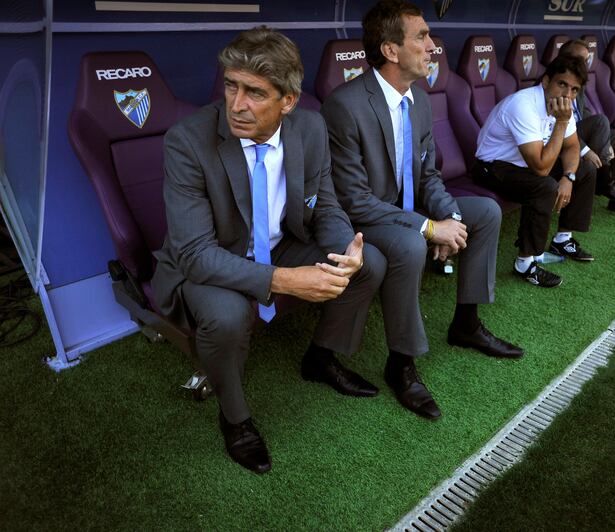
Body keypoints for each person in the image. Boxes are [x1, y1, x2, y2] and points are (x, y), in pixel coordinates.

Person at [152, 27, 386, 474]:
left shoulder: (311, 128)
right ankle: (235, 419)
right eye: (230, 86)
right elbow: (195, 254)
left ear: (289, 101)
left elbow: (326, 205)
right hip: (211, 260)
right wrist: (283, 280)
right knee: (226, 316)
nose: (236, 105)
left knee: (368, 263)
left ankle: (321, 357)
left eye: (255, 93)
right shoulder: (187, 141)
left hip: (279, 245)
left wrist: (346, 248)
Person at [321, 0, 522, 421]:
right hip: (364, 219)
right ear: (391, 50)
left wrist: (452, 219)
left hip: (405, 209)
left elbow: (429, 174)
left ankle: (466, 323)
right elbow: (354, 200)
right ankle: (402, 363)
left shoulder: (419, 98)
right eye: (422, 36)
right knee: (411, 244)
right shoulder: (345, 104)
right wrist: (430, 228)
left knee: (484, 211)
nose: (432, 45)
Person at [473, 54, 597, 289]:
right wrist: (561, 123)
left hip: (526, 165)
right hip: (492, 167)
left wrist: (569, 177)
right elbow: (541, 168)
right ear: (546, 80)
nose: (567, 95)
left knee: (585, 169)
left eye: (574, 90)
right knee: (545, 186)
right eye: (562, 84)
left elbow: (572, 147)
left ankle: (562, 239)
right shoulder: (524, 104)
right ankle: (525, 263)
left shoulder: (563, 106)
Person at [558, 39, 615, 220]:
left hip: (581, 132)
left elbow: (585, 113)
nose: (586, 65)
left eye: (587, 60)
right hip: (563, 137)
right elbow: (553, 128)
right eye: (582, 60)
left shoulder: (578, 82)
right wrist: (586, 149)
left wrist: (605, 142)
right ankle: (605, 182)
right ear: (567, 59)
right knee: (600, 122)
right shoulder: (556, 83)